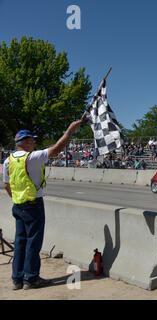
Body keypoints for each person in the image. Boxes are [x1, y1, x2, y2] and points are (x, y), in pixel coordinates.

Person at [2, 120, 82, 290]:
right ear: (24, 142)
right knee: (33, 242)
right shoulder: (32, 157)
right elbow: (57, 149)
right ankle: (31, 278)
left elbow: (7, 185)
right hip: (33, 204)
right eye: (31, 140)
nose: (34, 143)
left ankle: (17, 279)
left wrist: (17, 198)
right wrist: (69, 131)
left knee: (20, 242)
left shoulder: (8, 160)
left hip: (18, 205)